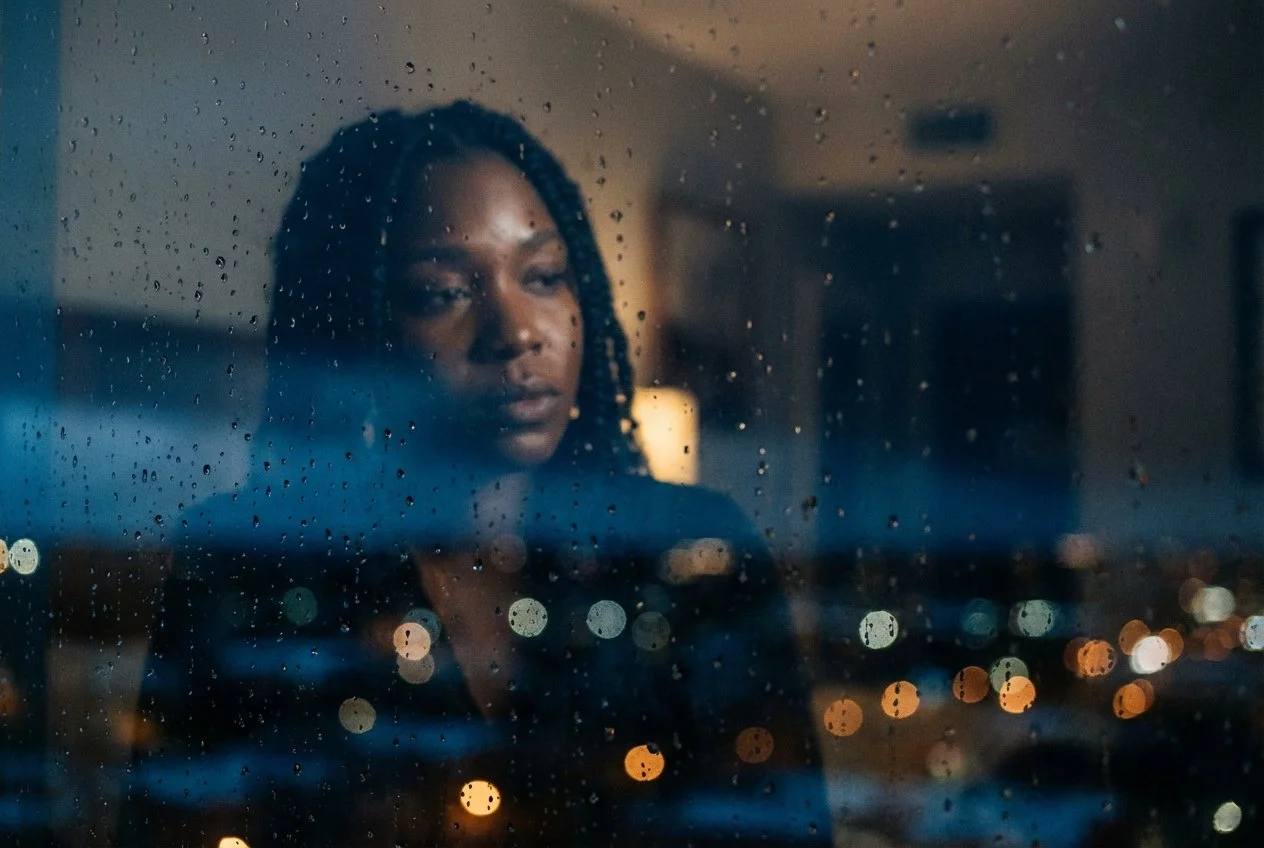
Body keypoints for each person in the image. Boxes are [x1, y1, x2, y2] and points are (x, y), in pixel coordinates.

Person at [120, 101, 830, 846]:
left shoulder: (691, 553)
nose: (518, 332)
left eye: (545, 275)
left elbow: (781, 820)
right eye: (442, 293)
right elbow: (177, 820)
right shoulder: (259, 562)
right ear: (354, 332)